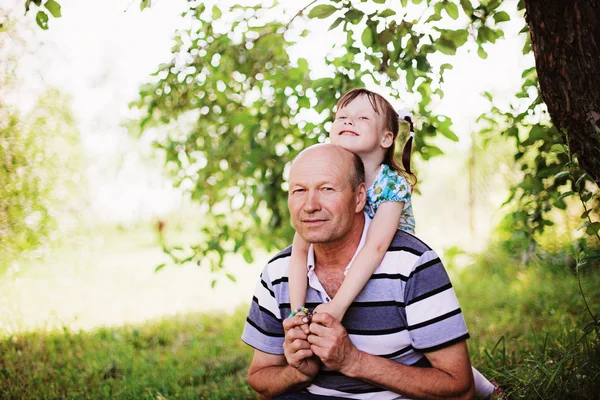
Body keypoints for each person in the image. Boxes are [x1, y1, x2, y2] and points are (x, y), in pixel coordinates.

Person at [287, 88, 497, 398]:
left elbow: (375, 247)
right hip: (355, 257)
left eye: (361, 117)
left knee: (420, 345)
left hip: (389, 259)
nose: (349, 121)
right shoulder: (323, 184)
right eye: (342, 116)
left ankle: (483, 389)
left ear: (387, 139)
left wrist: (337, 305)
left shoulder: (390, 183)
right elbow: (299, 249)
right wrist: (296, 314)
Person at [242, 144, 475, 399]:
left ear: (359, 197)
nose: (310, 205)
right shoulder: (278, 272)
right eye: (299, 190)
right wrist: (298, 373)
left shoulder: (412, 265)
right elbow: (260, 380)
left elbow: (460, 389)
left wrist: (354, 361)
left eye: (327, 189)